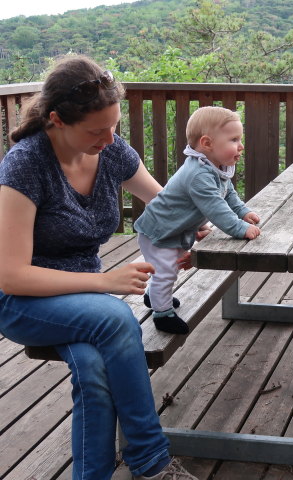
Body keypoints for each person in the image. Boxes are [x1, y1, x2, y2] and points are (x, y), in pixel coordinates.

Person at [0, 55, 198, 480]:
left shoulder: (110, 150)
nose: (110, 139)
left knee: (92, 370)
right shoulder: (26, 165)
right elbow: (11, 275)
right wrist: (104, 281)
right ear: (56, 120)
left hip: (84, 296)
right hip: (23, 300)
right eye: (96, 130)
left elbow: (161, 201)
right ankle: (151, 460)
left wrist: (187, 227)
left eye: (115, 126)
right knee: (115, 319)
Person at [134, 106, 260, 334]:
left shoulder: (217, 167)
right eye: (234, 139)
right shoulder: (199, 174)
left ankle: (154, 298)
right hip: (159, 231)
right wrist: (239, 228)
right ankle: (162, 315)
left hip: (173, 229)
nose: (241, 145)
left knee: (166, 267)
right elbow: (216, 208)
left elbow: (228, 193)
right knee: (166, 271)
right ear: (207, 144)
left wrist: (243, 212)